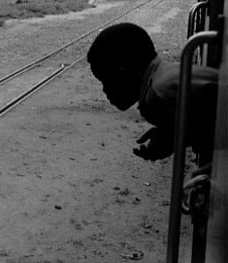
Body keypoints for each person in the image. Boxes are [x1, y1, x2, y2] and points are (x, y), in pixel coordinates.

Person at [87, 23, 219, 166]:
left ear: (124, 73)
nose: (104, 90)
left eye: (105, 80)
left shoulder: (158, 95)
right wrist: (172, 135)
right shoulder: (166, 74)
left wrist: (172, 137)